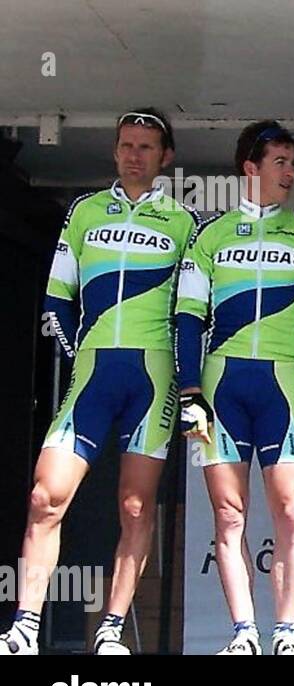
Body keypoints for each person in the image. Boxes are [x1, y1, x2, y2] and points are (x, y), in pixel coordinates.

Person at [0, 109, 198, 655]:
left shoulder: (183, 222)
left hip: (152, 378)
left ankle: (110, 629)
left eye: (146, 146)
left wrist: (187, 385)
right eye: (126, 145)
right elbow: (57, 297)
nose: (134, 154)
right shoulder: (84, 213)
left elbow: (192, 312)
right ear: (114, 152)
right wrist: (80, 351)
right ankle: (24, 626)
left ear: (166, 158)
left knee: (135, 507)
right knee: (45, 497)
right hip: (92, 375)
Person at [174, 121, 294, 655]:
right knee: (229, 513)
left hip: (281, 383)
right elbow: (185, 320)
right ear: (251, 167)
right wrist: (188, 392)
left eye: (293, 163)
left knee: (292, 508)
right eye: (280, 162)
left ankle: (286, 634)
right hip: (221, 384)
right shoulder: (211, 235)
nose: (291, 173)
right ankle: (244, 633)